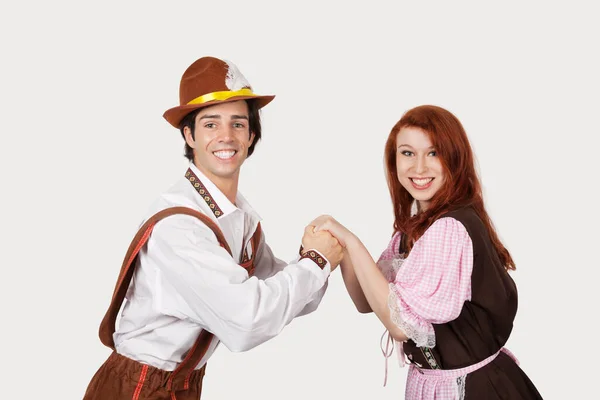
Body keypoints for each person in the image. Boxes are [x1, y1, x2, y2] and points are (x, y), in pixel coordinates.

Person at [83, 56, 343, 400]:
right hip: (137, 389)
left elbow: (289, 299)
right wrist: (316, 262)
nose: (226, 136)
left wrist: (313, 258)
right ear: (189, 135)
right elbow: (248, 322)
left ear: (251, 135)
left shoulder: (240, 218)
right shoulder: (180, 226)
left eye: (238, 124)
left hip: (183, 386)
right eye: (210, 124)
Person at [309, 105, 543, 399]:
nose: (419, 168)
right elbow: (367, 301)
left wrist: (352, 241)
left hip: (475, 389)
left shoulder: (450, 229)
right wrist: (341, 247)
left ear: (454, 160)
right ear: (394, 161)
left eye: (433, 153)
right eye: (407, 153)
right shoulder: (413, 230)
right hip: (434, 385)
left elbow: (400, 326)